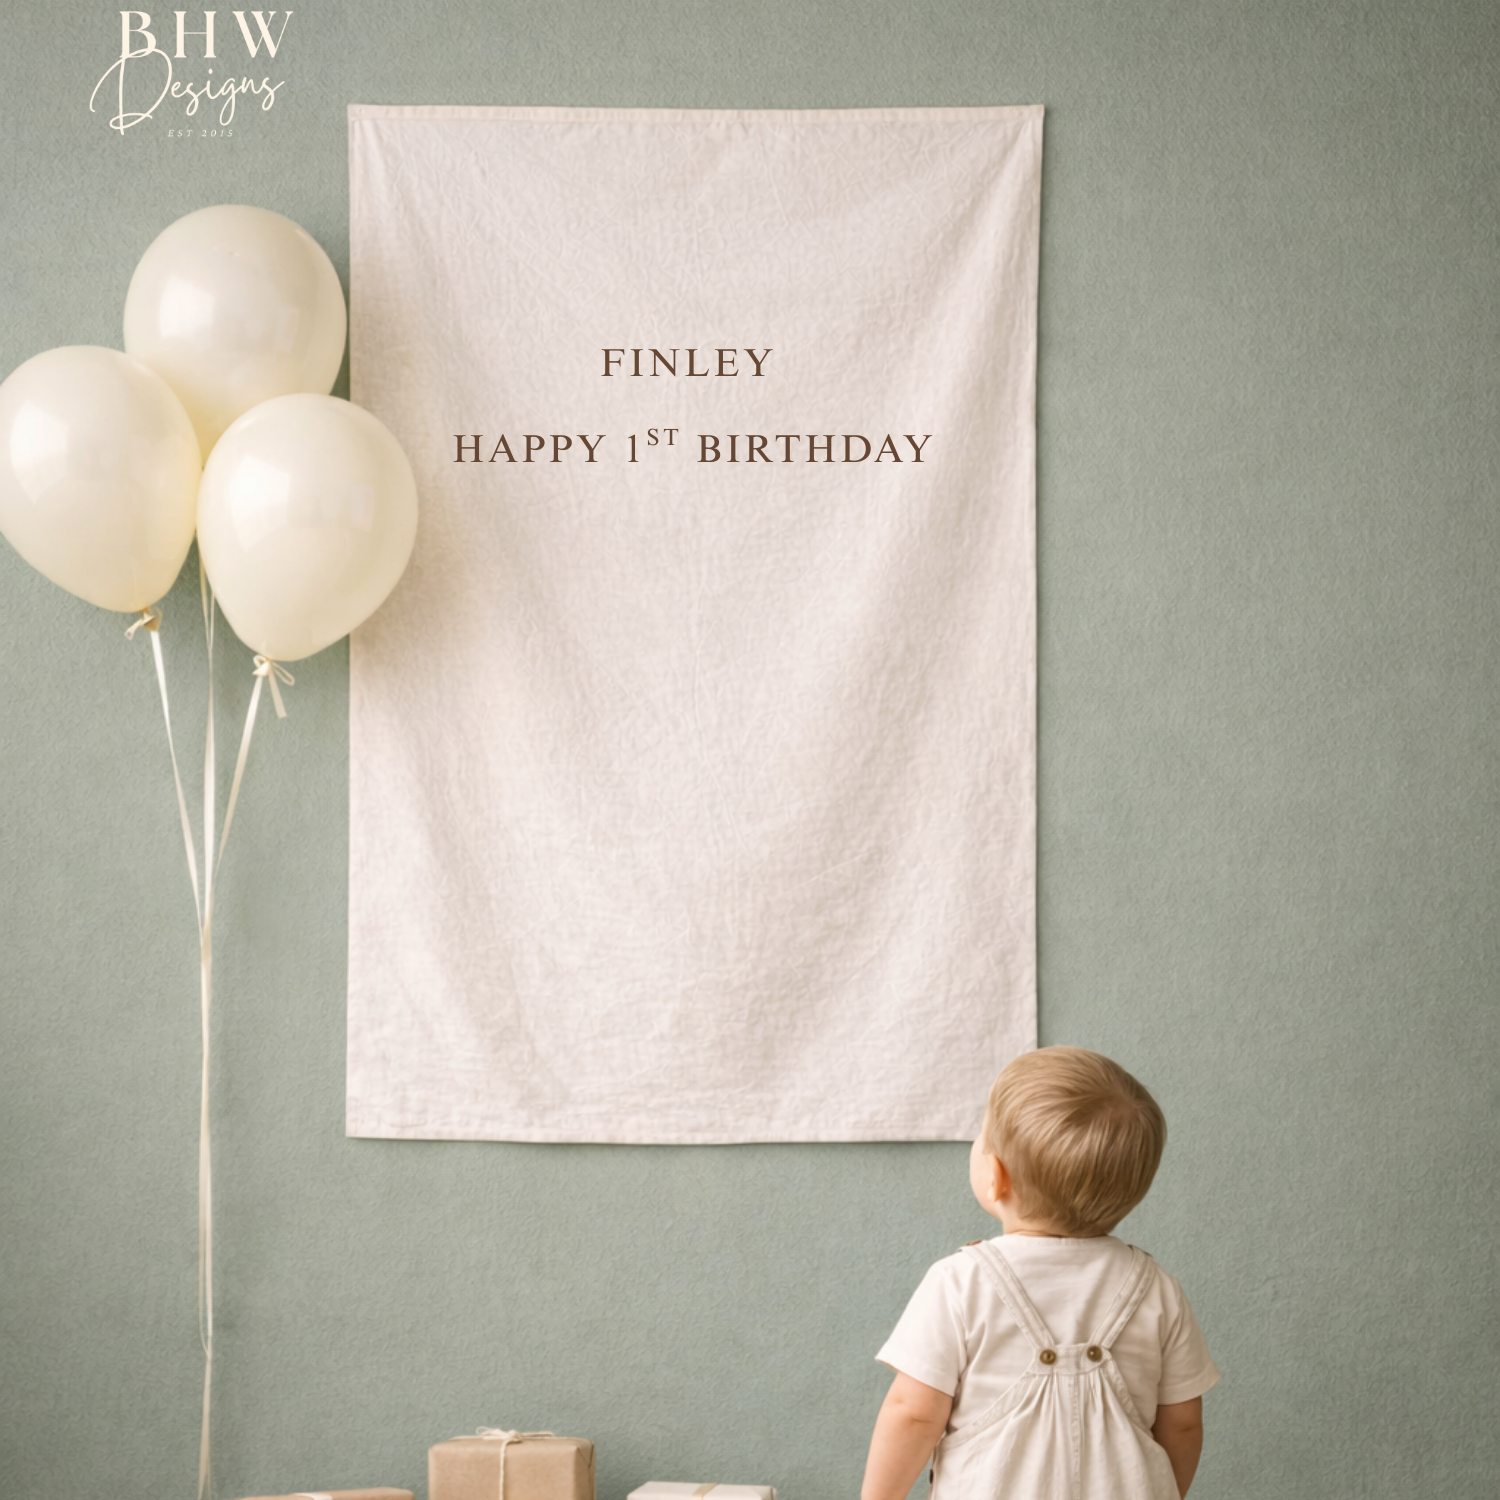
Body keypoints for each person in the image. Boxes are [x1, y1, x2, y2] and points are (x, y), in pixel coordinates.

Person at [861, 1047, 1219, 1500]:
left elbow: (913, 1413)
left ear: (995, 1176)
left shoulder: (960, 1281)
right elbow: (1183, 1423)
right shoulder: (1157, 1289)